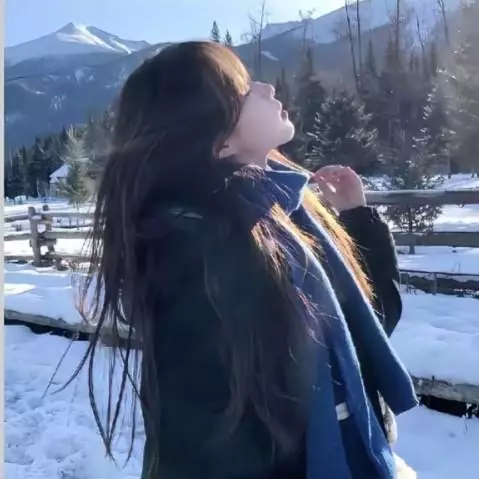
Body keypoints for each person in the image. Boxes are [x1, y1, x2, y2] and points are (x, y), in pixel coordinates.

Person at [77, 41, 418, 478]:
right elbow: (203, 443)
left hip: (357, 456)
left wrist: (358, 222)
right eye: (241, 89)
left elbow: (360, 335)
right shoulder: (200, 258)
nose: (265, 88)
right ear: (217, 141)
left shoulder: (285, 215)